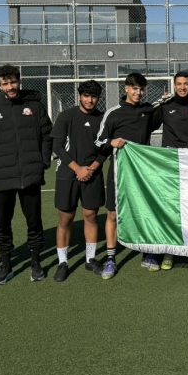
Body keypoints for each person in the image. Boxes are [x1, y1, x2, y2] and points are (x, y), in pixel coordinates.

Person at [0, 64, 53, 284]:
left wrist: (43, 161)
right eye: (5, 83)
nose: (10, 87)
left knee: (34, 222)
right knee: (3, 225)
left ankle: (36, 263)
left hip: (30, 177)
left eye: (13, 82)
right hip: (2, 180)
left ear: (19, 82)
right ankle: (6, 265)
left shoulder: (35, 107)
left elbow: (47, 135)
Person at [95, 72, 164, 276]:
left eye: (141, 90)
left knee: (145, 213)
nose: (138, 93)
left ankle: (148, 253)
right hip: (119, 172)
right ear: (126, 88)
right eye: (135, 89)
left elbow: (165, 109)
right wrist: (112, 142)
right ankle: (111, 259)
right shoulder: (113, 113)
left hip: (143, 174)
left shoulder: (148, 110)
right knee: (113, 214)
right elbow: (98, 141)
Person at [50, 80, 108, 282]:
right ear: (79, 96)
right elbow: (57, 147)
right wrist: (78, 169)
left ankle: (90, 259)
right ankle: (63, 262)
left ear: (98, 98)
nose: (90, 100)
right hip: (68, 174)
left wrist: (92, 168)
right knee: (65, 218)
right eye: (86, 96)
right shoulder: (66, 116)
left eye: (94, 96)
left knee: (91, 215)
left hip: (92, 174)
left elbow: (105, 149)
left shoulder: (102, 119)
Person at [152, 71, 188, 269]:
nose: (182, 87)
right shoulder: (165, 106)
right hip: (171, 165)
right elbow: (149, 124)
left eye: (186, 84)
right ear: (174, 85)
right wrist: (157, 103)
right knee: (172, 208)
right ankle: (170, 251)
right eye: (179, 84)